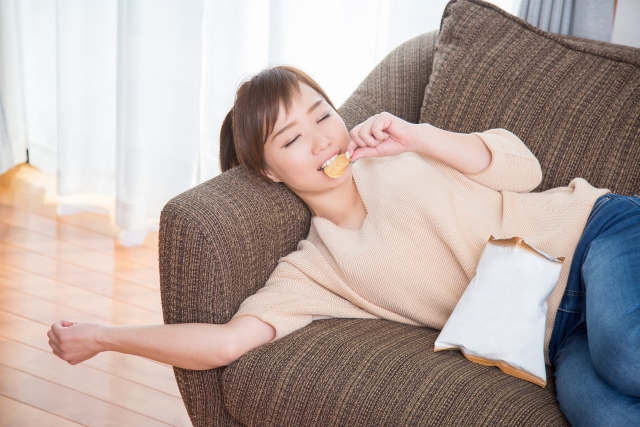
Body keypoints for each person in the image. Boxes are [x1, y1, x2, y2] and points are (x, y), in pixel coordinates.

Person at [48, 65, 639, 426]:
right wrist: (103, 338)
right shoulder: (314, 271)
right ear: (270, 173)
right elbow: (225, 343)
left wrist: (420, 136)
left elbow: (523, 169)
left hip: (595, 235)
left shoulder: (397, 149)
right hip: (560, 337)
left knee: (626, 354)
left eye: (322, 114)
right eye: (292, 138)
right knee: (605, 414)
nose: (321, 137)